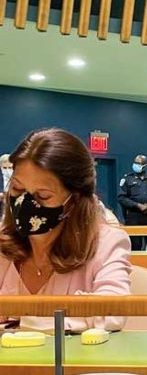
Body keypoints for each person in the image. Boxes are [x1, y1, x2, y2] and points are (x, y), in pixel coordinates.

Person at [0, 128, 131, 332]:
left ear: (74, 200)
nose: (24, 202)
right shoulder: (3, 241)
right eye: (17, 188)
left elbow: (111, 311)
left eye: (43, 196)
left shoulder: (106, 243)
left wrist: (25, 321)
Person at [117, 154, 147, 251]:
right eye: (135, 163)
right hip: (133, 217)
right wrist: (137, 205)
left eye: (139, 163)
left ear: (145, 166)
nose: (136, 165)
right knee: (135, 247)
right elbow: (121, 198)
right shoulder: (127, 179)